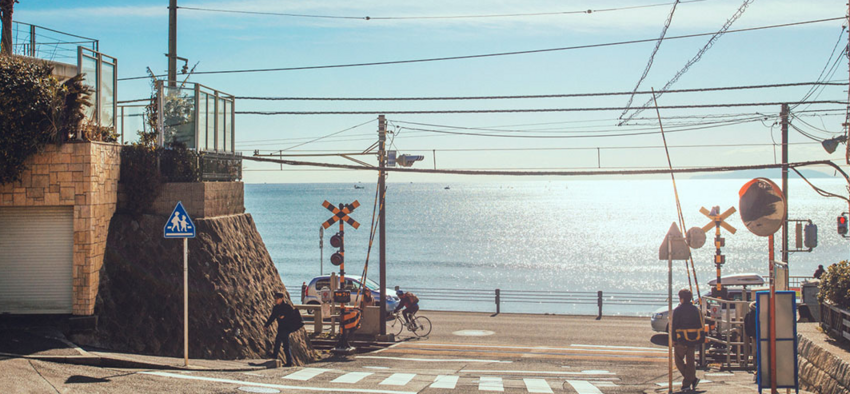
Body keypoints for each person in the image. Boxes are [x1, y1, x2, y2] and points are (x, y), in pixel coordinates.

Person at [672, 288, 703, 392]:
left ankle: (688, 382)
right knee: (690, 362)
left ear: (681, 299)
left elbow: (674, 326)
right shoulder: (695, 309)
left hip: (681, 339)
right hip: (693, 339)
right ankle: (692, 380)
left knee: (678, 361)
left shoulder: (678, 310)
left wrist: (673, 339)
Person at [264, 292, 303, 366]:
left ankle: (288, 361)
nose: (276, 300)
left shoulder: (287, 307)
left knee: (284, 344)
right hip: (281, 327)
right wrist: (266, 325)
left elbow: (292, 317)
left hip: (287, 327)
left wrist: (284, 316)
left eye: (277, 298)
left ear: (282, 299)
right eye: (275, 298)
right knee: (279, 341)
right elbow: (272, 317)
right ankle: (281, 358)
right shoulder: (276, 308)